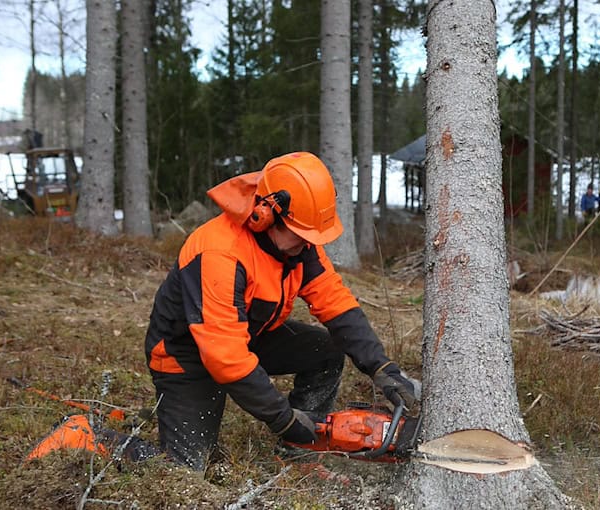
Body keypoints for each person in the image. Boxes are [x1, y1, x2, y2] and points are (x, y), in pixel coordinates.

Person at [143, 152, 417, 470]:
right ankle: (90, 438)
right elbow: (225, 358)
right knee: (185, 470)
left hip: (245, 336)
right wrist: (284, 420)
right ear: (266, 215)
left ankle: (299, 454)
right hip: (185, 356)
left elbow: (336, 303)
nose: (307, 244)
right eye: (301, 235)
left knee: (325, 350)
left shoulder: (300, 247)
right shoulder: (220, 253)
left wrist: (382, 367)